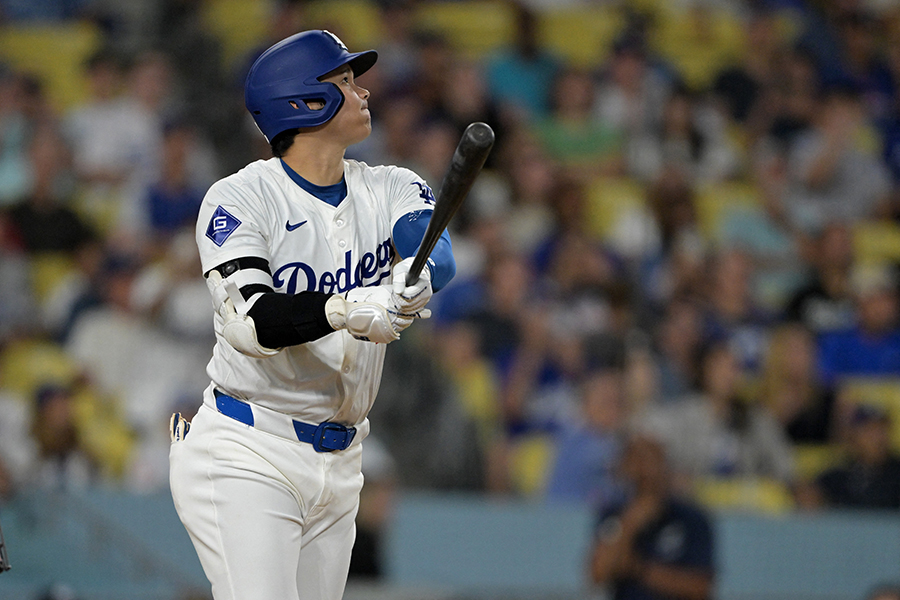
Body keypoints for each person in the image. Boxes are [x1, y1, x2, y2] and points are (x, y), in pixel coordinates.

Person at [168, 30, 456, 600]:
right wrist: (349, 308)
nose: (363, 91)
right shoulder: (240, 198)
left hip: (340, 460)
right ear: (303, 101)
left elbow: (433, 250)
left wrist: (410, 280)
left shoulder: (390, 184)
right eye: (345, 82)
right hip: (248, 447)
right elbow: (251, 321)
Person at [590, 434, 715, 600]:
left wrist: (637, 569)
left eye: (651, 459)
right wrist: (630, 523)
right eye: (637, 460)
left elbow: (700, 588)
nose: (645, 470)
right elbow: (598, 574)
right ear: (625, 466)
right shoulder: (613, 515)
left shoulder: (691, 519)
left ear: (665, 465)